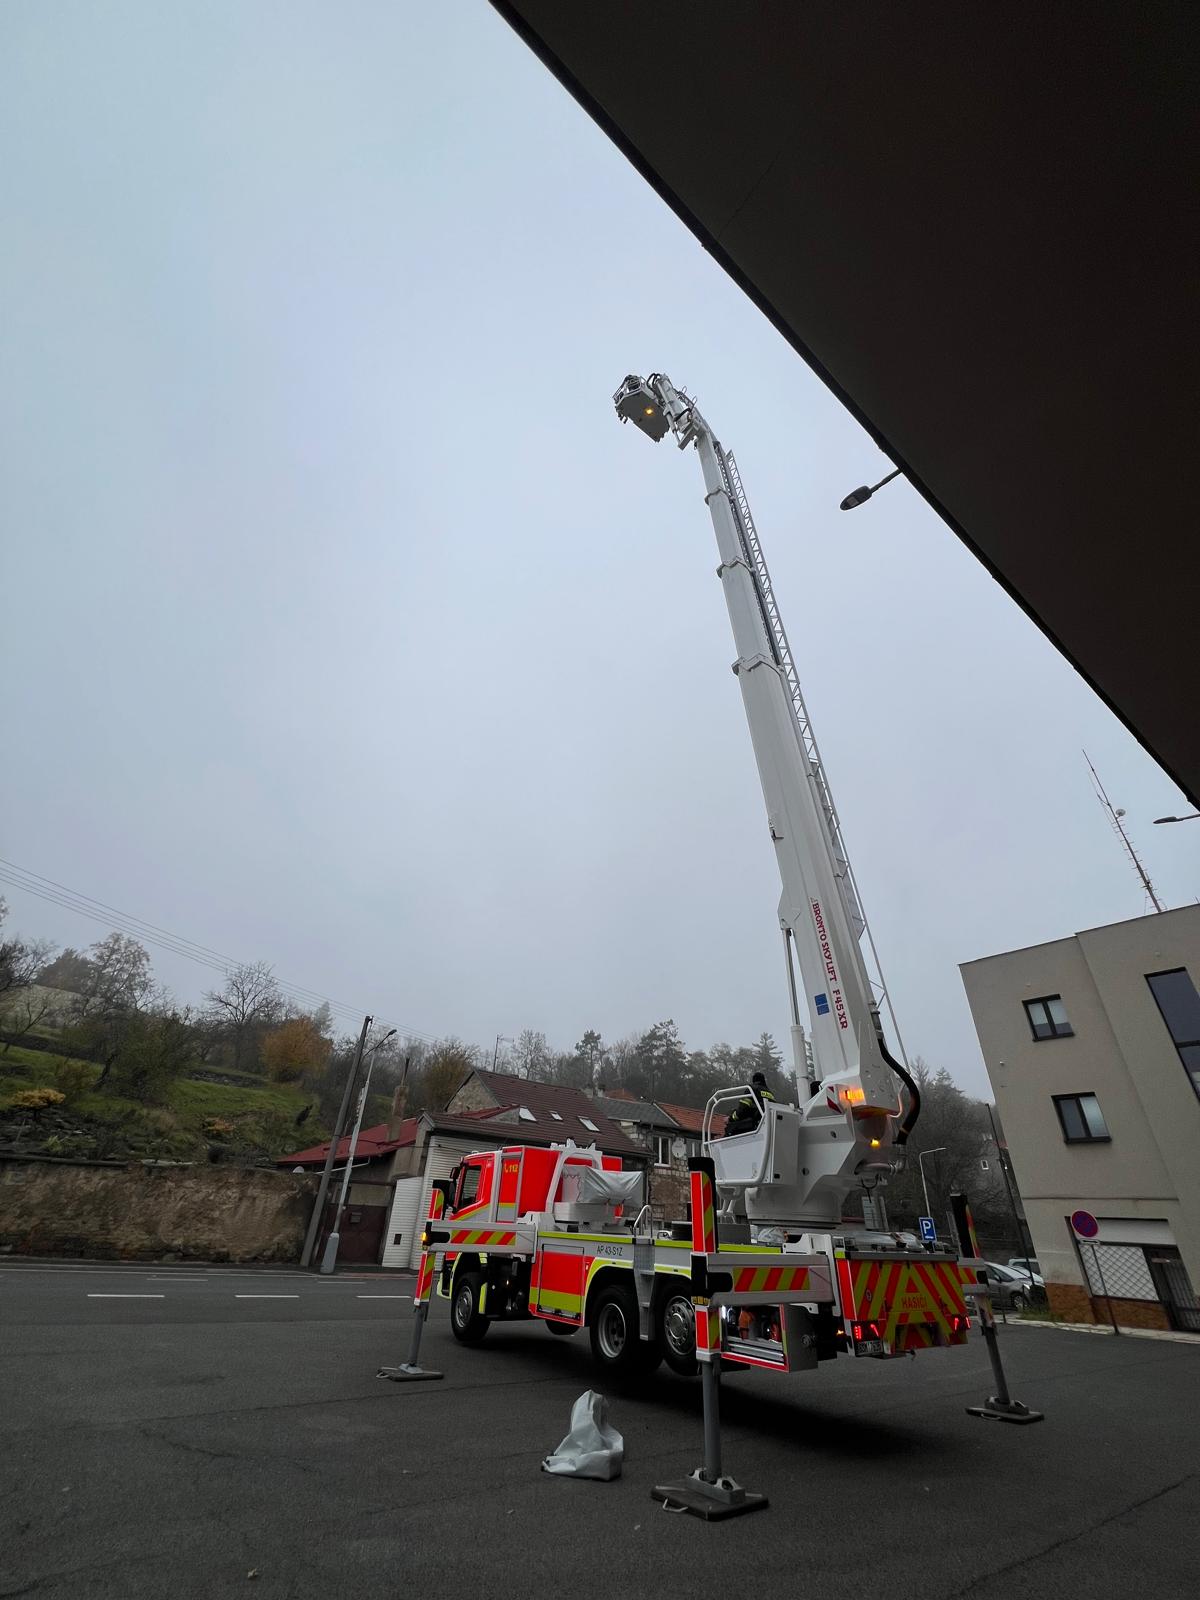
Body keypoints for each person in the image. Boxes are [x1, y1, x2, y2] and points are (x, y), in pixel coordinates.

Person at [726, 1072, 775, 1136]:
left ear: (754, 1080)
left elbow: (743, 1108)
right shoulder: (771, 1094)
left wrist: (731, 1118)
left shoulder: (751, 1089)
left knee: (730, 1129)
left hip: (754, 1126)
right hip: (767, 1124)